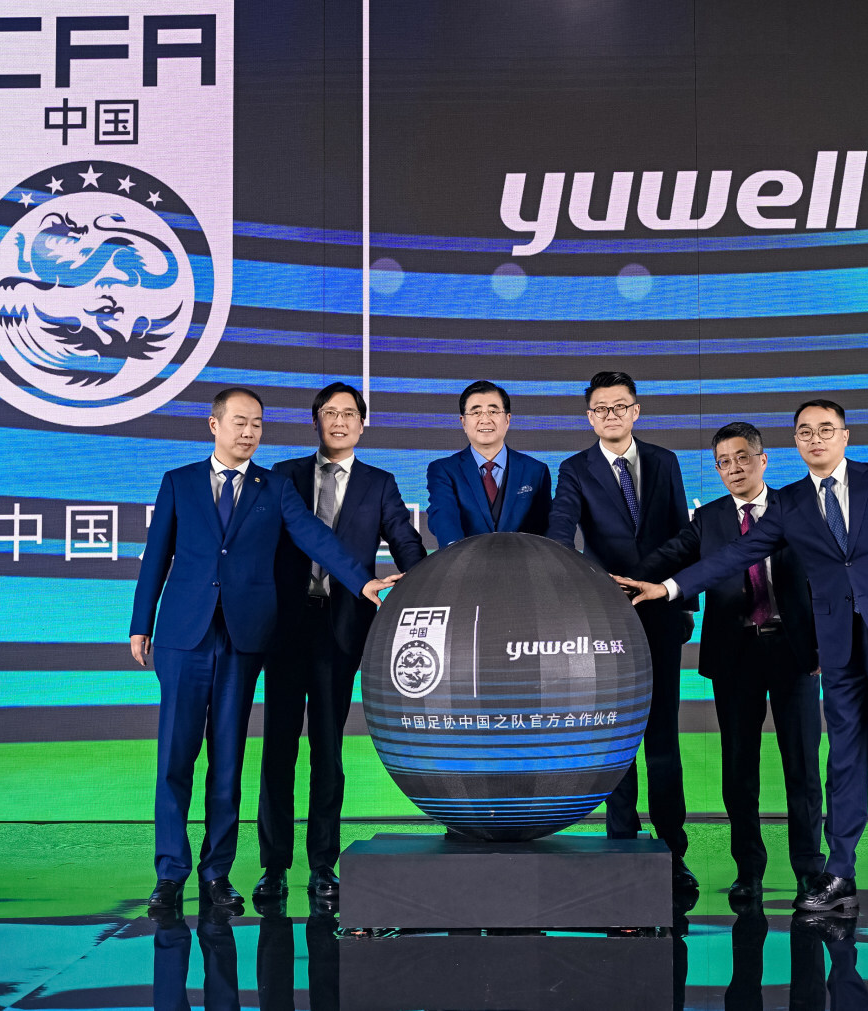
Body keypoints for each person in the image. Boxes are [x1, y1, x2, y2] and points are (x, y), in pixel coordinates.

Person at [616, 399, 868, 916]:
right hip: (835, 645)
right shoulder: (790, 502)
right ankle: (840, 874)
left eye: (825, 429)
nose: (816, 439)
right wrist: (667, 589)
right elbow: (734, 555)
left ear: (844, 435)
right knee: (842, 762)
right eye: (805, 432)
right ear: (795, 442)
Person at [129, 387, 396, 913]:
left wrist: (361, 580)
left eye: (256, 423)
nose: (249, 432)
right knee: (175, 760)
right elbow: (156, 555)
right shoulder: (179, 482)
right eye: (239, 422)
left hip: (244, 638)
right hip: (183, 637)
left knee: (227, 760)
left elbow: (316, 538)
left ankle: (216, 873)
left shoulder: (273, 487)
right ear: (214, 425)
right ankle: (169, 874)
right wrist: (142, 623)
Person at [634, 422, 826, 902]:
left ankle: (810, 870)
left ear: (763, 460)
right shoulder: (709, 519)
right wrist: (610, 581)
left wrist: (827, 643)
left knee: (803, 766)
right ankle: (749, 871)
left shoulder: (798, 509)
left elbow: (827, 579)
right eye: (724, 462)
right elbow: (667, 559)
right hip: (735, 655)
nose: (734, 468)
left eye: (742, 458)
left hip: (795, 653)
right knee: (739, 768)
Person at [256, 382, 427, 906]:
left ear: (362, 423)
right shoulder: (284, 474)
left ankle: (322, 865)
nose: (339, 421)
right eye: (329, 413)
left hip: (342, 628)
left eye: (349, 413)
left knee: (327, 749)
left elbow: (404, 539)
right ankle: (274, 866)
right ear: (315, 421)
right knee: (278, 748)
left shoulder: (379, 483)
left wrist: (426, 581)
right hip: (285, 627)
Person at [545, 370, 698, 889]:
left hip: (660, 614)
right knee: (616, 738)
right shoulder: (574, 469)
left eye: (620, 406)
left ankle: (673, 853)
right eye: (601, 409)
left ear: (636, 411)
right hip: (605, 619)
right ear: (590, 417)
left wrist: (678, 602)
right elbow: (560, 533)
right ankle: (622, 848)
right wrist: (580, 583)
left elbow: (684, 535)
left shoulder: (664, 461)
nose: (611, 415)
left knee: (663, 740)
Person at [425, 379, 552, 546]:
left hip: (522, 561)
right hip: (465, 560)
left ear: (507, 419)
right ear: (463, 422)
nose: (485, 419)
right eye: (476, 412)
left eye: (493, 411)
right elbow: (444, 518)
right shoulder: (443, 470)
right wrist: (458, 556)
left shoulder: (536, 471)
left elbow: (545, 531)